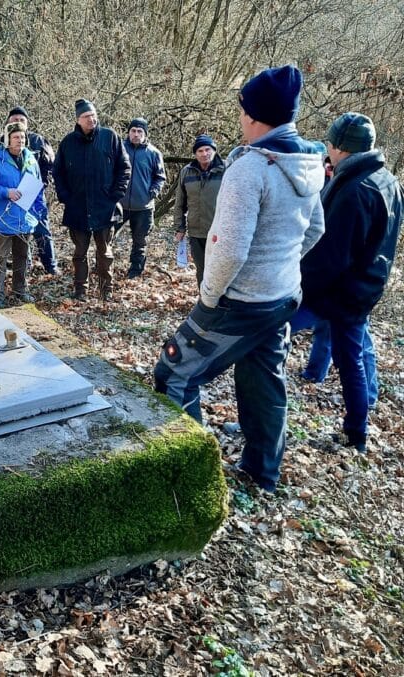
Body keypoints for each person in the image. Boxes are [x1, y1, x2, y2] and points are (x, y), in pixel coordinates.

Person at [154, 65, 325, 493]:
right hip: (283, 295)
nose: (239, 117)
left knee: (173, 373)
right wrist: (281, 268)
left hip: (239, 302)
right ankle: (262, 473)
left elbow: (229, 250)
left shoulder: (248, 170)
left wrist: (208, 297)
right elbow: (316, 228)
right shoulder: (308, 163)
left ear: (253, 116)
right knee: (263, 376)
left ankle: (194, 486)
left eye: (242, 109)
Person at [298, 112, 402, 452]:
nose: (328, 150)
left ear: (342, 148)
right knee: (351, 359)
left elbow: (330, 255)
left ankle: (261, 423)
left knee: (269, 331)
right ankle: (357, 432)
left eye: (331, 144)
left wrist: (297, 288)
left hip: (336, 293)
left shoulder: (355, 189)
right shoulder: (387, 180)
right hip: (364, 290)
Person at [52, 99, 131, 301]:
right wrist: (65, 197)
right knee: (80, 253)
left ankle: (106, 290)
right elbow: (57, 173)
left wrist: (115, 194)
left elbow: (124, 168)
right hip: (77, 208)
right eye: (87, 116)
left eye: (94, 115)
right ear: (78, 120)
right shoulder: (68, 142)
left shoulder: (110, 137)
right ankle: (81, 291)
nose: (92, 119)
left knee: (105, 253)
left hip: (105, 207)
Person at [0, 120, 45, 306]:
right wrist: (6, 192)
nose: (20, 140)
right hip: (3, 218)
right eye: (16, 137)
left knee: (22, 257)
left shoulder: (31, 158)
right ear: (8, 139)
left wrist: (39, 212)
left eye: (22, 137)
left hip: (26, 219)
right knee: (0, 258)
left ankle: (20, 291)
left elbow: (38, 189)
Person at [0, 106, 58, 274]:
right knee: (20, 232)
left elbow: (50, 165)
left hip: (34, 195)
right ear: (7, 123)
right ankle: (24, 268)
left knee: (42, 230)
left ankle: (51, 266)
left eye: (22, 120)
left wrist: (40, 184)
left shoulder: (38, 141)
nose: (18, 123)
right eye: (14, 120)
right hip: (10, 197)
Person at [173, 134, 226, 287]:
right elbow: (180, 203)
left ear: (214, 150)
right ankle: (204, 302)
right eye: (200, 151)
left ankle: (221, 303)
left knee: (220, 270)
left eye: (208, 149)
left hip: (220, 231)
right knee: (201, 270)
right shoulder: (186, 172)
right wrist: (180, 227)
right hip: (196, 232)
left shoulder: (226, 169)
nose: (204, 154)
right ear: (195, 154)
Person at [120, 118, 166, 279]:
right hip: (119, 204)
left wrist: (153, 192)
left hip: (144, 206)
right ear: (128, 132)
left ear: (145, 134)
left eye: (140, 131)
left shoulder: (154, 153)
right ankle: (104, 267)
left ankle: (135, 272)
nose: (136, 134)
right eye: (133, 131)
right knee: (106, 236)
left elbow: (160, 177)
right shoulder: (119, 149)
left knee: (140, 241)